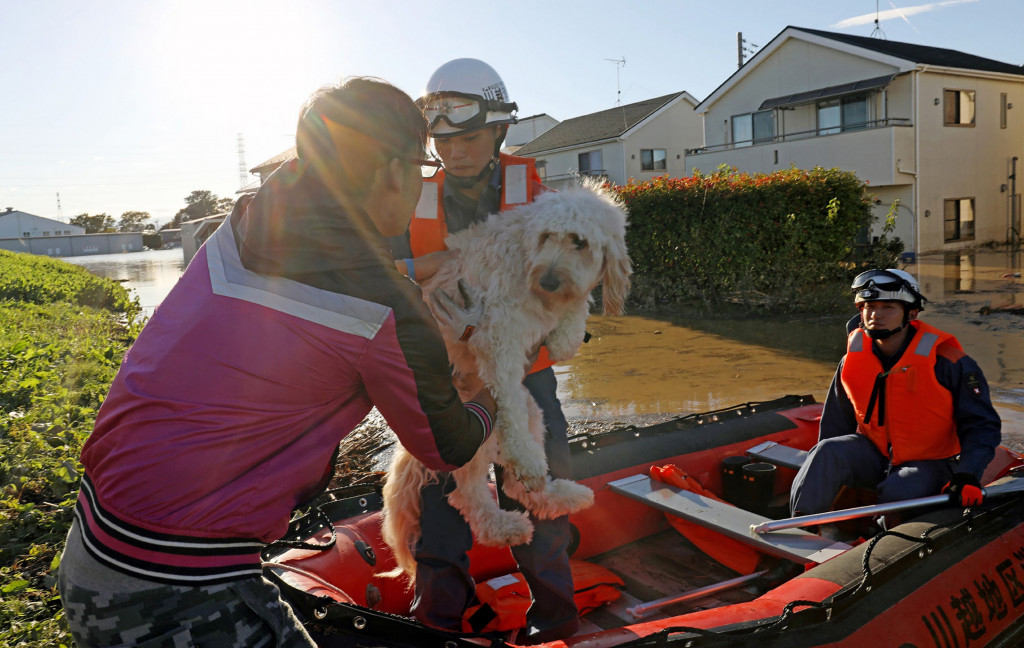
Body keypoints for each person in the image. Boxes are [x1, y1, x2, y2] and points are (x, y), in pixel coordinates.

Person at [57, 77, 498, 648]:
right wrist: (492, 393)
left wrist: (414, 276)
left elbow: (313, 280)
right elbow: (446, 446)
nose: (419, 187)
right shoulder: (387, 311)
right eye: (420, 168)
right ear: (394, 170)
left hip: (95, 542)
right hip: (176, 585)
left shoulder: (241, 224)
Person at [388, 58, 580, 644]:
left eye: (468, 136)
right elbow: (385, 274)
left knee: (538, 493)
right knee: (444, 507)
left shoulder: (537, 194)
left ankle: (555, 617)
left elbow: (565, 279)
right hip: (449, 379)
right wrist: (439, 267)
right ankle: (439, 625)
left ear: (497, 130)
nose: (455, 151)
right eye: (443, 140)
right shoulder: (410, 198)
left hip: (526, 376)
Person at [789, 268, 1001, 521]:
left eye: (888, 307)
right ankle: (799, 526)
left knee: (899, 490)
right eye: (868, 306)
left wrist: (968, 475)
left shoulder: (948, 361)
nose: (875, 315)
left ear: (911, 313)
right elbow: (836, 422)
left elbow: (982, 426)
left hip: (931, 461)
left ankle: (881, 544)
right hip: (876, 453)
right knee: (826, 451)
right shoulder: (852, 360)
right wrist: (829, 476)